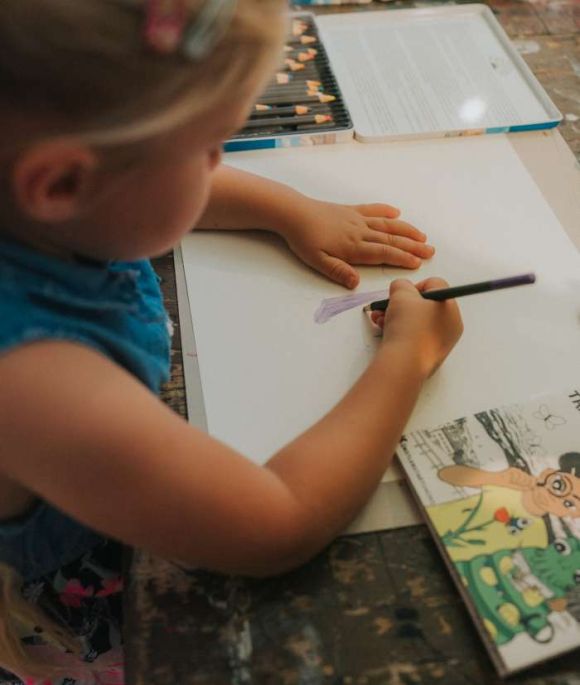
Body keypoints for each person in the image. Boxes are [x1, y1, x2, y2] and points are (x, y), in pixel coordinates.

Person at [0, 0, 463, 682]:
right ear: (62, 181)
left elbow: (146, 177)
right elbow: (278, 522)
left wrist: (288, 208)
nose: (220, 163)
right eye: (211, 145)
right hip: (71, 598)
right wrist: (407, 359)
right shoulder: (35, 382)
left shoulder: (50, 197)